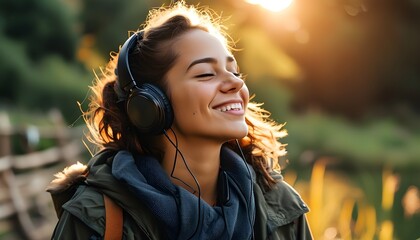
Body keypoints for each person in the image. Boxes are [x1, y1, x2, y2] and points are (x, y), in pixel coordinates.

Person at [47, 1, 312, 239]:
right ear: (150, 104)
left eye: (234, 71)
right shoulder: (97, 219)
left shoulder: (281, 208)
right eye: (206, 74)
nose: (235, 83)